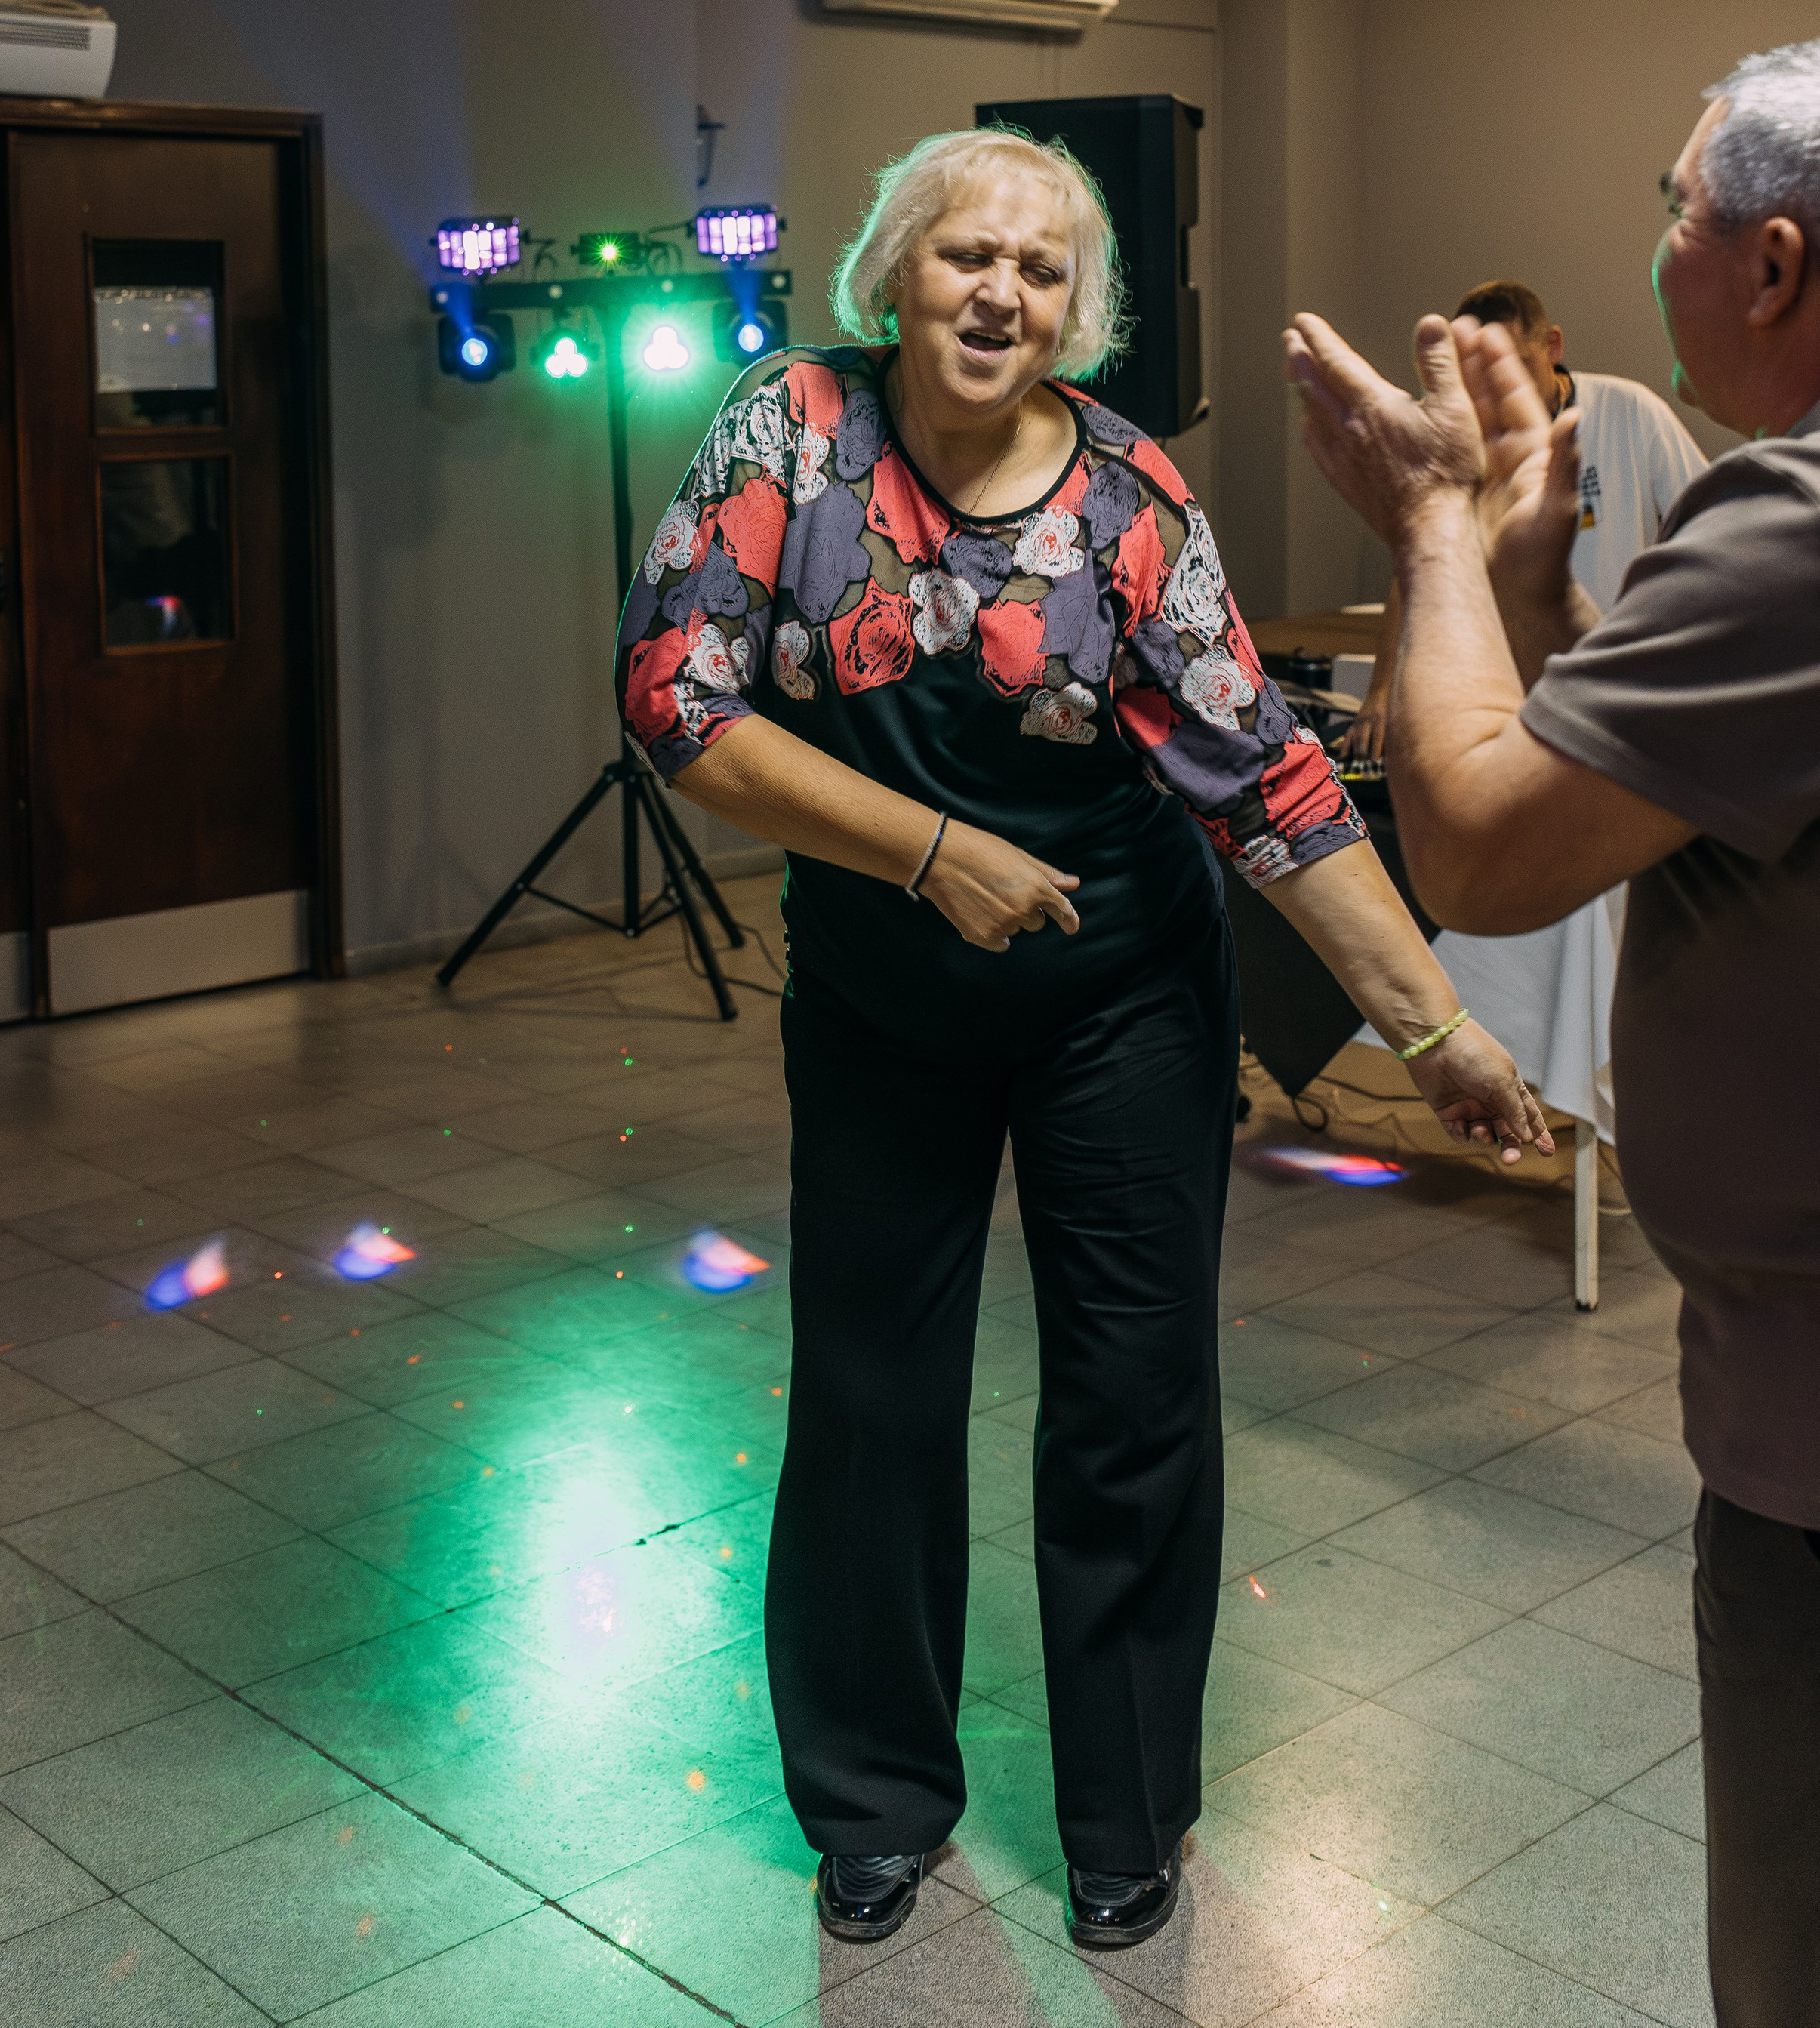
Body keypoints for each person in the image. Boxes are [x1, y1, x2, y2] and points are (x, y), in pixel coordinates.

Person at [617, 125, 1547, 1956]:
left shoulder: (1129, 494)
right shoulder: (786, 429)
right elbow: (672, 698)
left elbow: (1265, 779)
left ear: (1074, 309)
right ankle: (872, 1801)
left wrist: (1431, 1024)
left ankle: (1126, 1816)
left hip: (1119, 994)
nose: (999, 293)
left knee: (1131, 1401)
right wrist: (931, 849)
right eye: (965, 254)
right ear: (893, 272)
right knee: (871, 1396)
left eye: (1039, 270)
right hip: (882, 993)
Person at [1283, 39, 1820, 2028]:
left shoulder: (1792, 522)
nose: (1659, 251)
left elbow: (1486, 851)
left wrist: (1431, 530)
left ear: (1770, 263)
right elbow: (1663, 771)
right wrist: (1525, 590)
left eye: (1675, 213)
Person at [1350, 280, 1704, 1145]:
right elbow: (1416, 564)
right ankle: (1558, 1095)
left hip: (1622, 711)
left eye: (1507, 365)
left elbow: (1695, 527)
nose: (1490, 389)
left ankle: (1625, 1112)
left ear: (1552, 347)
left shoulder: (1630, 414)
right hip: (1524, 709)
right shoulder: (1467, 437)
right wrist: (1384, 689)